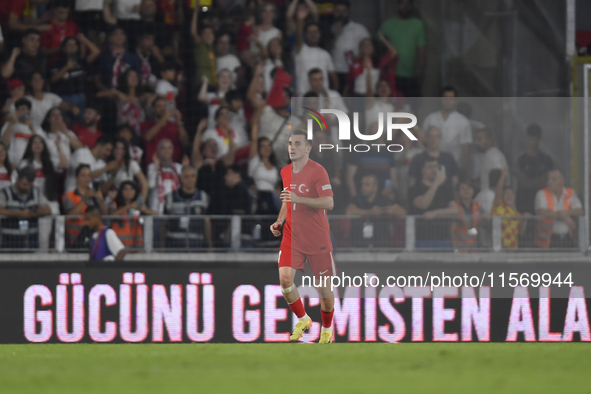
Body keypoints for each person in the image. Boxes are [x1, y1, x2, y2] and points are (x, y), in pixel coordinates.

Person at [270, 130, 336, 344]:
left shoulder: (318, 171)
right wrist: (280, 220)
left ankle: (326, 330)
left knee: (324, 292)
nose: (292, 147)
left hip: (316, 237)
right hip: (292, 235)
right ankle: (303, 318)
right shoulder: (285, 172)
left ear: (308, 149)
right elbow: (287, 201)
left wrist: (301, 198)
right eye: (290, 143)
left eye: (298, 143)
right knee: (285, 281)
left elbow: (329, 203)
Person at [408, 156, 458, 248]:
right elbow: (423, 204)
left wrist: (436, 213)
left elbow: (455, 209)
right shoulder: (415, 189)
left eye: (436, 167)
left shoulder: (445, 189)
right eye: (430, 167)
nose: (434, 170)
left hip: (444, 239)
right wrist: (436, 183)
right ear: (423, 170)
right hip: (423, 239)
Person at [379, 0, 425, 98]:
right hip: (391, 75)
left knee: (412, 107)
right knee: (391, 107)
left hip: (410, 75)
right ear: (398, 5)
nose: (405, 7)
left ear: (412, 6)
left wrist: (420, 73)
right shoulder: (388, 24)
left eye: (408, 4)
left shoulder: (417, 24)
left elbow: (421, 50)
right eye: (402, 3)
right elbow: (377, 46)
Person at [346, 173, 406, 247]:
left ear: (375, 187)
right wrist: (370, 212)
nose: (363, 187)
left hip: (381, 244)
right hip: (359, 244)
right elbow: (348, 211)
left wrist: (393, 211)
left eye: (367, 185)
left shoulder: (383, 200)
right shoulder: (357, 199)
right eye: (362, 184)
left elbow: (403, 212)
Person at [422, 86, 472, 172]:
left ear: (455, 100)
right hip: (431, 166)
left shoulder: (463, 121)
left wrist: (464, 172)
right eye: (445, 98)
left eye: (451, 99)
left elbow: (466, 150)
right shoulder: (430, 118)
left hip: (453, 168)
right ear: (440, 99)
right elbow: (422, 141)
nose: (447, 101)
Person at [0, 166, 51, 249]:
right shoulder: (5, 192)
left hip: (31, 242)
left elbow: (47, 209)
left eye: (30, 185)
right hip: (9, 242)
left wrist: (33, 213)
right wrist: (20, 214)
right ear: (18, 180)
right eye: (25, 184)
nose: (27, 187)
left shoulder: (36, 191)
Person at [50, 34, 100, 118]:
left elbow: (96, 52)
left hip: (81, 97)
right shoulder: (58, 63)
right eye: (69, 45)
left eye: (75, 44)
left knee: (80, 122)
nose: (73, 46)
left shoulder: (81, 61)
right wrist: (66, 68)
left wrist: (84, 40)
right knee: (67, 122)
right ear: (63, 48)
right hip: (65, 98)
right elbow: (52, 80)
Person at [163, 165, 212, 249]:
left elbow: (206, 223)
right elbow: (164, 224)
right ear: (181, 178)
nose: (190, 179)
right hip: (174, 246)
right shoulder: (170, 197)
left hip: (196, 245)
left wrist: (210, 246)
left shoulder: (204, 197)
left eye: (193, 176)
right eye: (186, 176)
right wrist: (162, 246)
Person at [535, 169, 584, 249]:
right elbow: (543, 211)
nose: (549, 181)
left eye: (553, 179)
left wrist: (567, 213)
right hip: (547, 240)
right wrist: (564, 217)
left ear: (562, 181)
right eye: (548, 179)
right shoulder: (542, 193)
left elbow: (580, 211)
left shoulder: (570, 192)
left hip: (568, 238)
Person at [293, 7, 338, 95]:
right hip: (303, 95)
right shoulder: (300, 50)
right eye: (310, 32)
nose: (313, 35)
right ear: (305, 35)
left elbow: (334, 78)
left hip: (321, 96)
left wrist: (332, 95)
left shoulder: (325, 54)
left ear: (320, 34)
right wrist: (300, 20)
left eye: (316, 32)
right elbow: (298, 36)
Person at [63, 164, 109, 247]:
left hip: (95, 238)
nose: (86, 178)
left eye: (89, 175)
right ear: (77, 178)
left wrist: (101, 200)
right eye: (83, 175)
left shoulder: (95, 195)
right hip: (76, 240)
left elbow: (105, 215)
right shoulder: (69, 196)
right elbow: (70, 215)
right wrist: (84, 199)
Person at [330, 0, 370, 91]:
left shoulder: (359, 28)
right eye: (337, 11)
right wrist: (336, 34)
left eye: (343, 11)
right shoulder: (331, 28)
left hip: (354, 71)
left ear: (348, 12)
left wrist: (359, 57)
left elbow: (369, 48)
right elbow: (328, 49)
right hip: (336, 71)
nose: (340, 14)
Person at [1, 98, 52, 167]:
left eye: (24, 109)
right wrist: (11, 123)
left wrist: (31, 128)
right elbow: (4, 144)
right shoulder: (8, 125)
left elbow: (41, 147)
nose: (22, 112)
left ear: (29, 111)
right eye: (19, 109)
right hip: (12, 165)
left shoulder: (37, 128)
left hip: (32, 165)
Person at [516, 124, 555, 215]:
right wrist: (541, 180)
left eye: (536, 139)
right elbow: (524, 183)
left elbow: (550, 182)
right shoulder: (521, 159)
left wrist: (531, 182)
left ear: (540, 139)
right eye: (531, 139)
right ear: (527, 138)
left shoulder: (546, 159)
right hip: (524, 202)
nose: (534, 142)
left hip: (543, 202)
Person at [140, 96, 188, 166]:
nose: (162, 109)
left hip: (174, 166)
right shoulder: (146, 125)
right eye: (159, 106)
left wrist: (179, 122)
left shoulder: (174, 125)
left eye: (164, 106)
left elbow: (185, 142)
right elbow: (148, 137)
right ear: (153, 109)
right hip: (154, 166)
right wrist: (165, 118)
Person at [248, 113, 281, 214]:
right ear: (259, 148)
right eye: (263, 146)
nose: (267, 148)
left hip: (272, 199)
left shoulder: (275, 167)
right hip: (257, 197)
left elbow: (277, 188)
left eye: (269, 146)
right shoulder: (255, 162)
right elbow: (254, 139)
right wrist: (255, 123)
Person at [110, 180, 156, 249]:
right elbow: (111, 216)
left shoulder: (138, 205)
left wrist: (144, 210)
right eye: (125, 189)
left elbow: (157, 215)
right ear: (121, 191)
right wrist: (129, 206)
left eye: (132, 189)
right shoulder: (115, 204)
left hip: (136, 246)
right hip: (118, 246)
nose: (129, 192)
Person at [491, 167, 529, 249]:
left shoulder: (516, 213)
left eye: (511, 193)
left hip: (512, 249)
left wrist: (525, 220)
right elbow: (498, 190)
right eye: (506, 193)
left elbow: (520, 232)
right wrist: (503, 177)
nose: (509, 195)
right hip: (498, 249)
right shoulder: (498, 206)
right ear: (502, 196)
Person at [147, 139, 183, 214]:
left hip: (175, 209)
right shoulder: (152, 167)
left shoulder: (179, 167)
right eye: (163, 148)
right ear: (158, 151)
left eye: (169, 148)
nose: (167, 150)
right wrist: (156, 166)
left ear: (173, 150)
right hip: (156, 209)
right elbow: (150, 185)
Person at [451, 179, 484, 252]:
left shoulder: (478, 206)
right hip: (460, 249)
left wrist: (485, 218)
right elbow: (451, 231)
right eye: (463, 188)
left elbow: (483, 225)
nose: (467, 191)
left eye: (469, 188)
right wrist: (455, 249)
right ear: (458, 192)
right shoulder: (455, 207)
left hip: (475, 249)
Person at [474, 127, 508, 193]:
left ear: (489, 141)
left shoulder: (494, 156)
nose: (476, 143)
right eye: (475, 139)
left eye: (479, 139)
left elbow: (500, 179)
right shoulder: (488, 154)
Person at [191, 6, 217, 87]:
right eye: (206, 34)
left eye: (211, 33)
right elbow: (193, 32)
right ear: (201, 36)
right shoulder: (200, 45)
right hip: (202, 82)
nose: (209, 36)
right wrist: (195, 12)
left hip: (213, 82)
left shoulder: (212, 48)